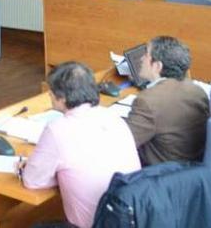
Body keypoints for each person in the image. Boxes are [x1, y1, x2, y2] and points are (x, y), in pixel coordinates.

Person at [21, 61, 140, 228]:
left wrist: (36, 168)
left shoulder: (58, 129)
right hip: (129, 219)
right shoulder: (113, 118)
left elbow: (33, 181)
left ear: (61, 98)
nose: (49, 95)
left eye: (51, 92)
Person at [126, 36, 209, 165]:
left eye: (146, 55)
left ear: (157, 66)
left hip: (158, 175)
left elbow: (123, 143)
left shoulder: (148, 101)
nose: (141, 59)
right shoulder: (197, 91)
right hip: (190, 170)